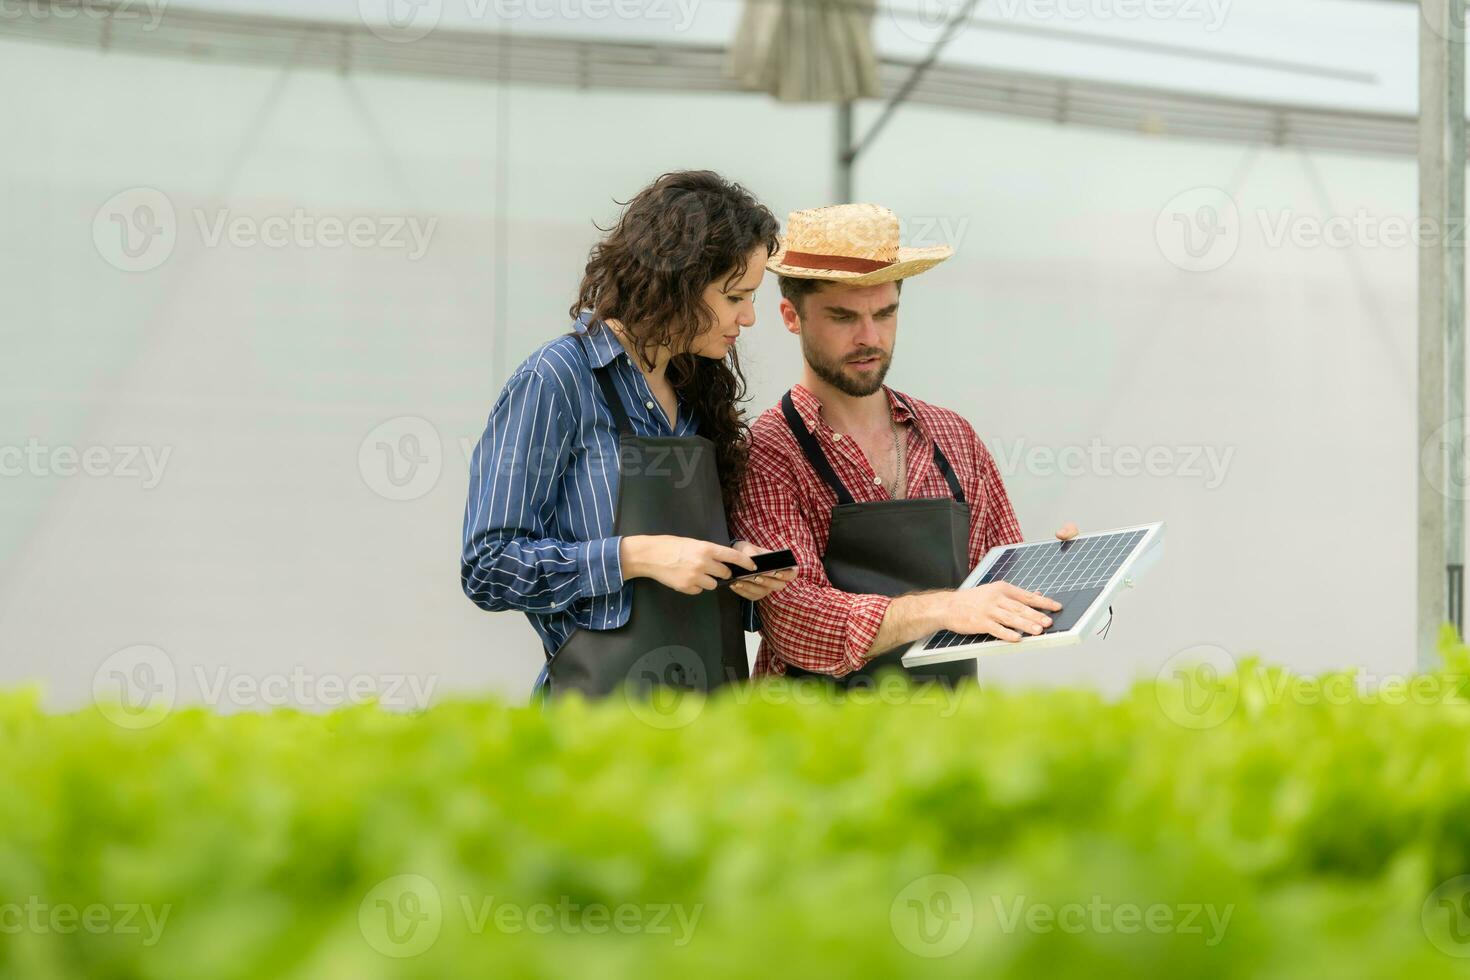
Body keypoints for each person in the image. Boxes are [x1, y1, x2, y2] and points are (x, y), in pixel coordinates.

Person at [461, 171, 796, 699]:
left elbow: (685, 566)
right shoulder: (558, 379)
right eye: (735, 296)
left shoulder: (697, 390)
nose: (749, 317)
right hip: (596, 725)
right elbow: (489, 568)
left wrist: (738, 574)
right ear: (677, 284)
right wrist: (633, 556)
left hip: (708, 716)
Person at [731, 203, 1079, 687]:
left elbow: (999, 581)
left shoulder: (952, 436)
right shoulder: (768, 451)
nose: (869, 337)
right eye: (843, 316)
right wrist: (946, 607)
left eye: (885, 313)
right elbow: (798, 622)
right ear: (792, 316)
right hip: (810, 744)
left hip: (944, 737)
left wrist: (1070, 570)